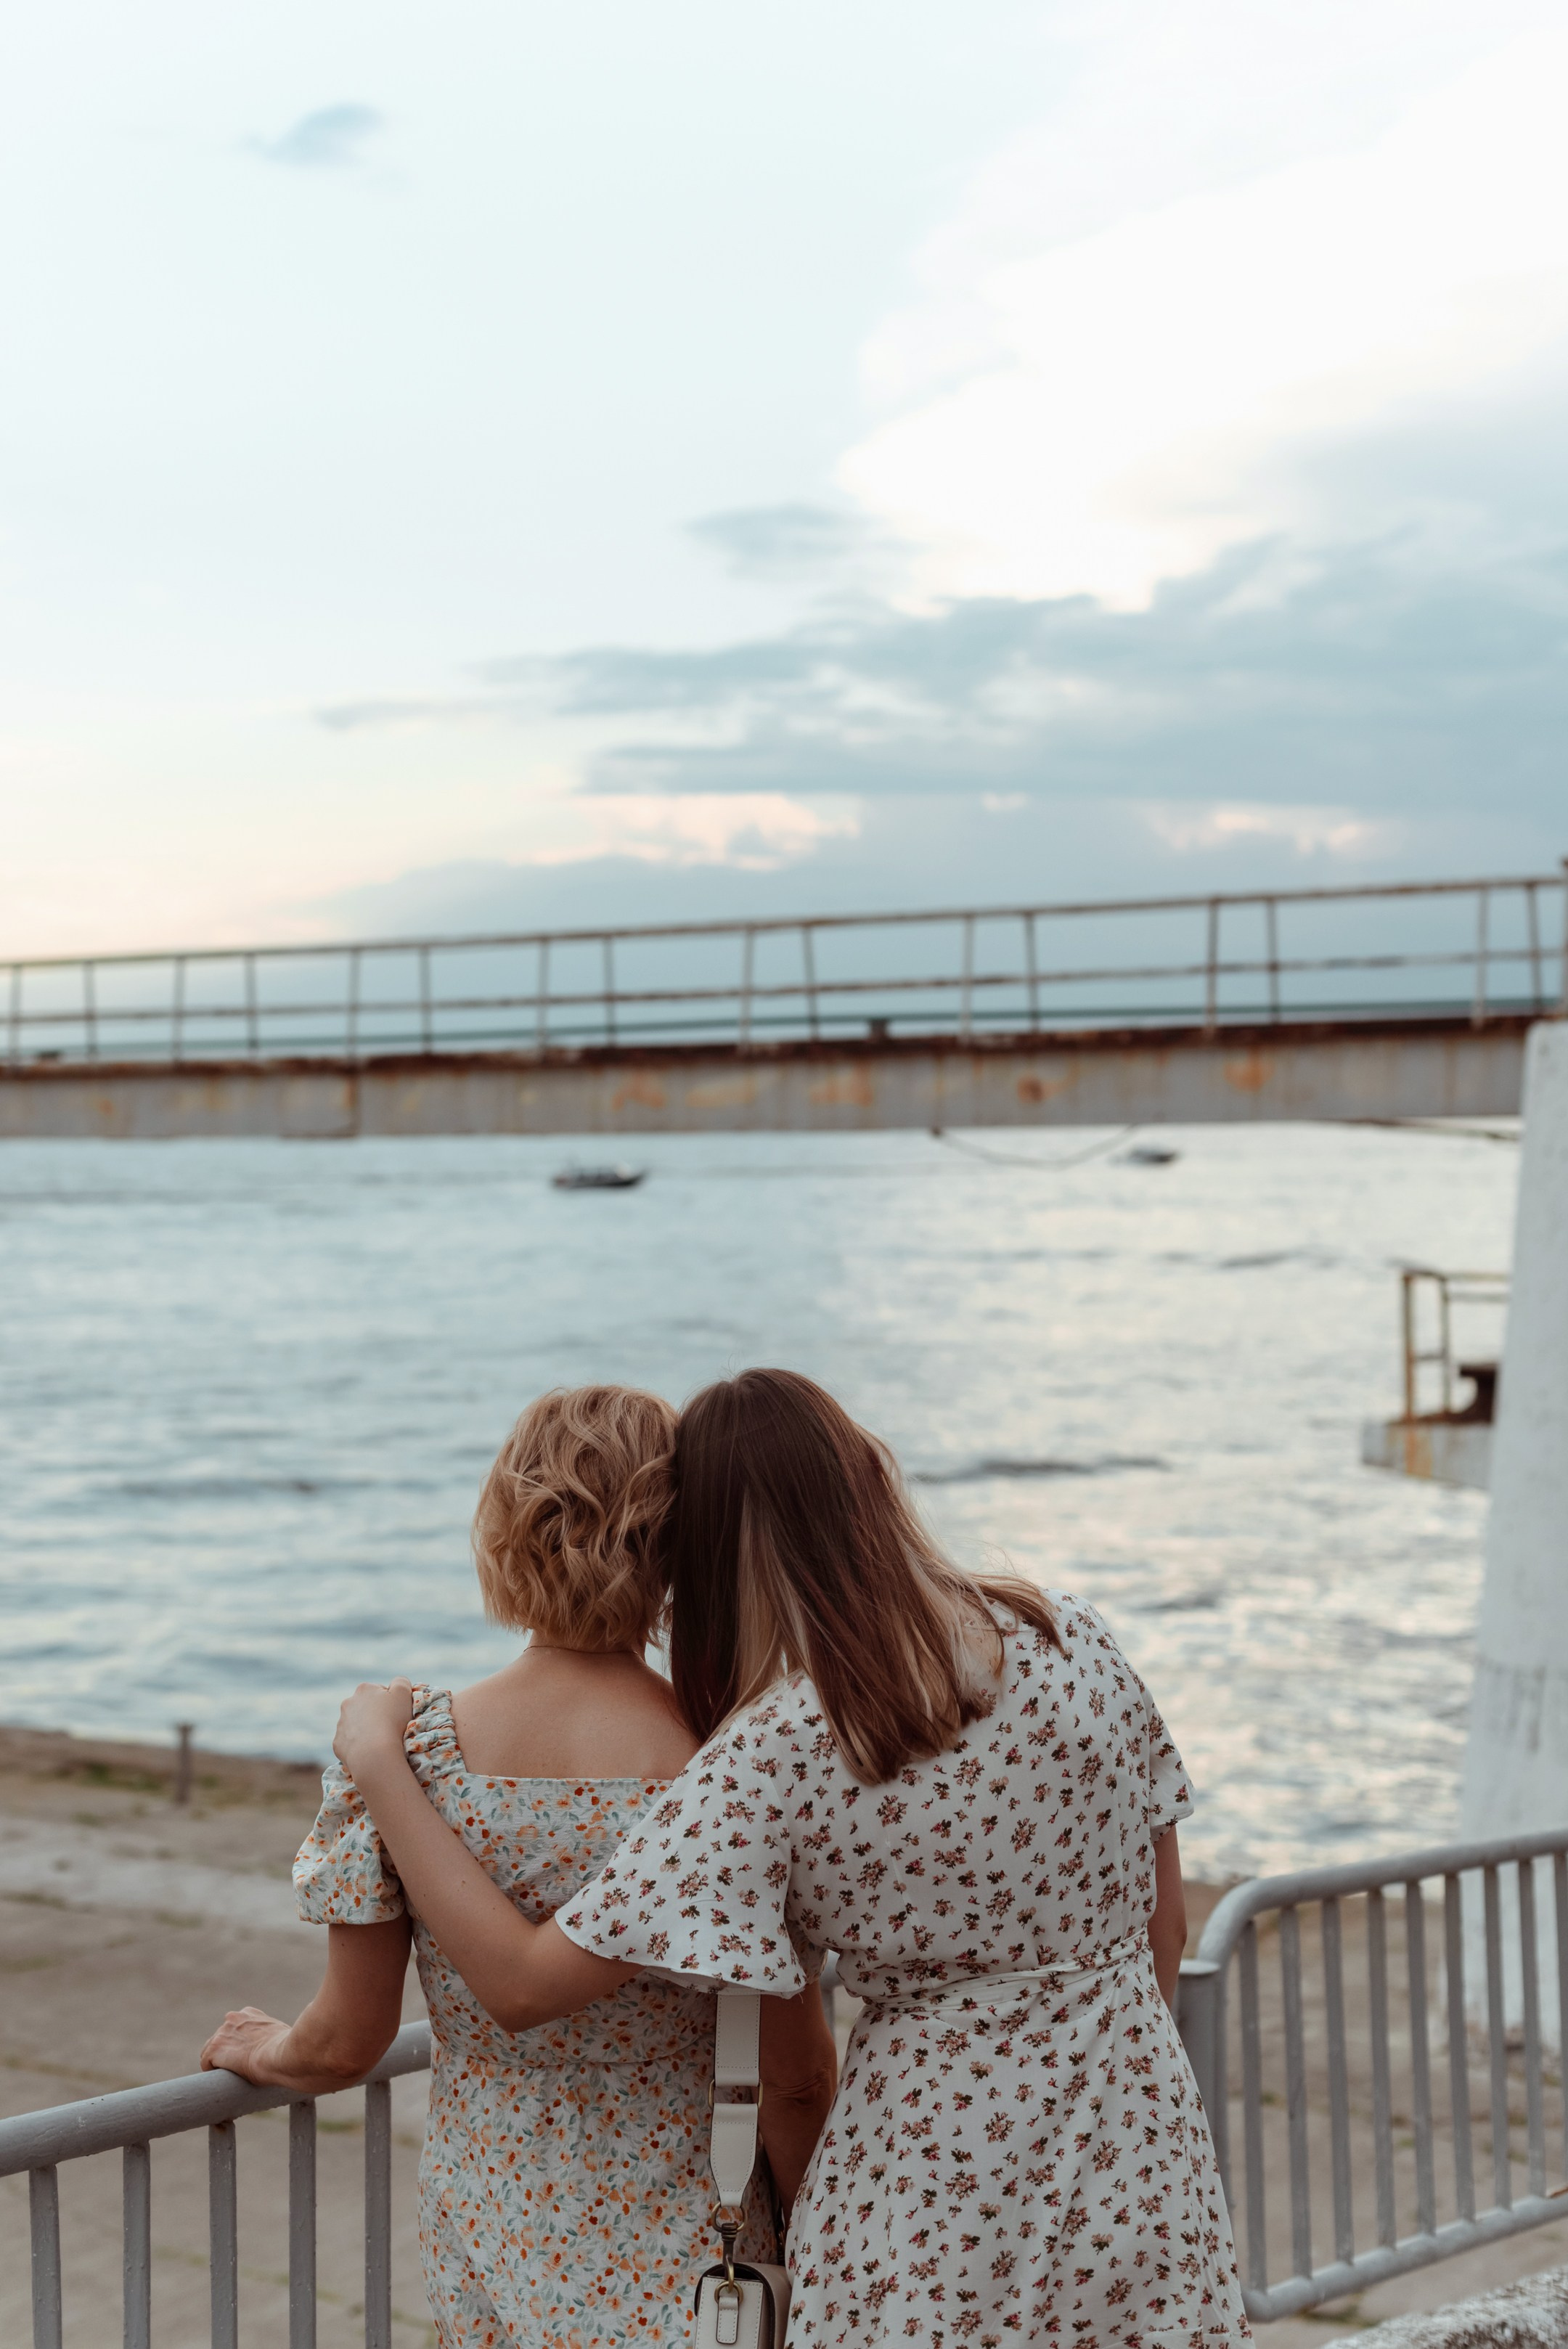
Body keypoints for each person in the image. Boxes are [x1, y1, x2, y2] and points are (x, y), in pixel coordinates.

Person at [334, 1367, 1251, 2347]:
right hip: (1142, 2147)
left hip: (925, 2192)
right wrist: (1107, 2077)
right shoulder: (1067, 1631)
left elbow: (519, 1984)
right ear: (870, 1473)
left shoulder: (774, 1755)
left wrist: (379, 1764)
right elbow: (1165, 1913)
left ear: (702, 1562)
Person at [200, 1383, 837, 2348]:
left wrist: (257, 2050)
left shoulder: (409, 1753)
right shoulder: (727, 1756)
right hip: (695, 2244)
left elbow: (344, 2044)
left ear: (504, 1528)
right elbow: (795, 2083)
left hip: (492, 2229)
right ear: (677, 1550)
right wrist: (813, 2246)